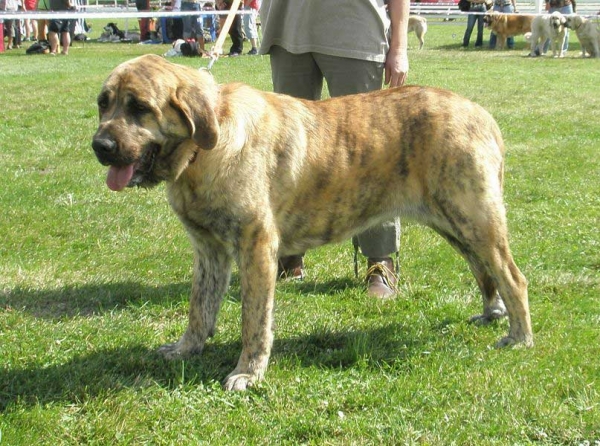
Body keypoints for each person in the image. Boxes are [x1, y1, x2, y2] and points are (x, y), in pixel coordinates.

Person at [259, 0, 409, 298]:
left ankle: (379, 260)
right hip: (288, 30)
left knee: (370, 157)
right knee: (289, 156)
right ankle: (289, 253)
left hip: (354, 31)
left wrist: (399, 47)